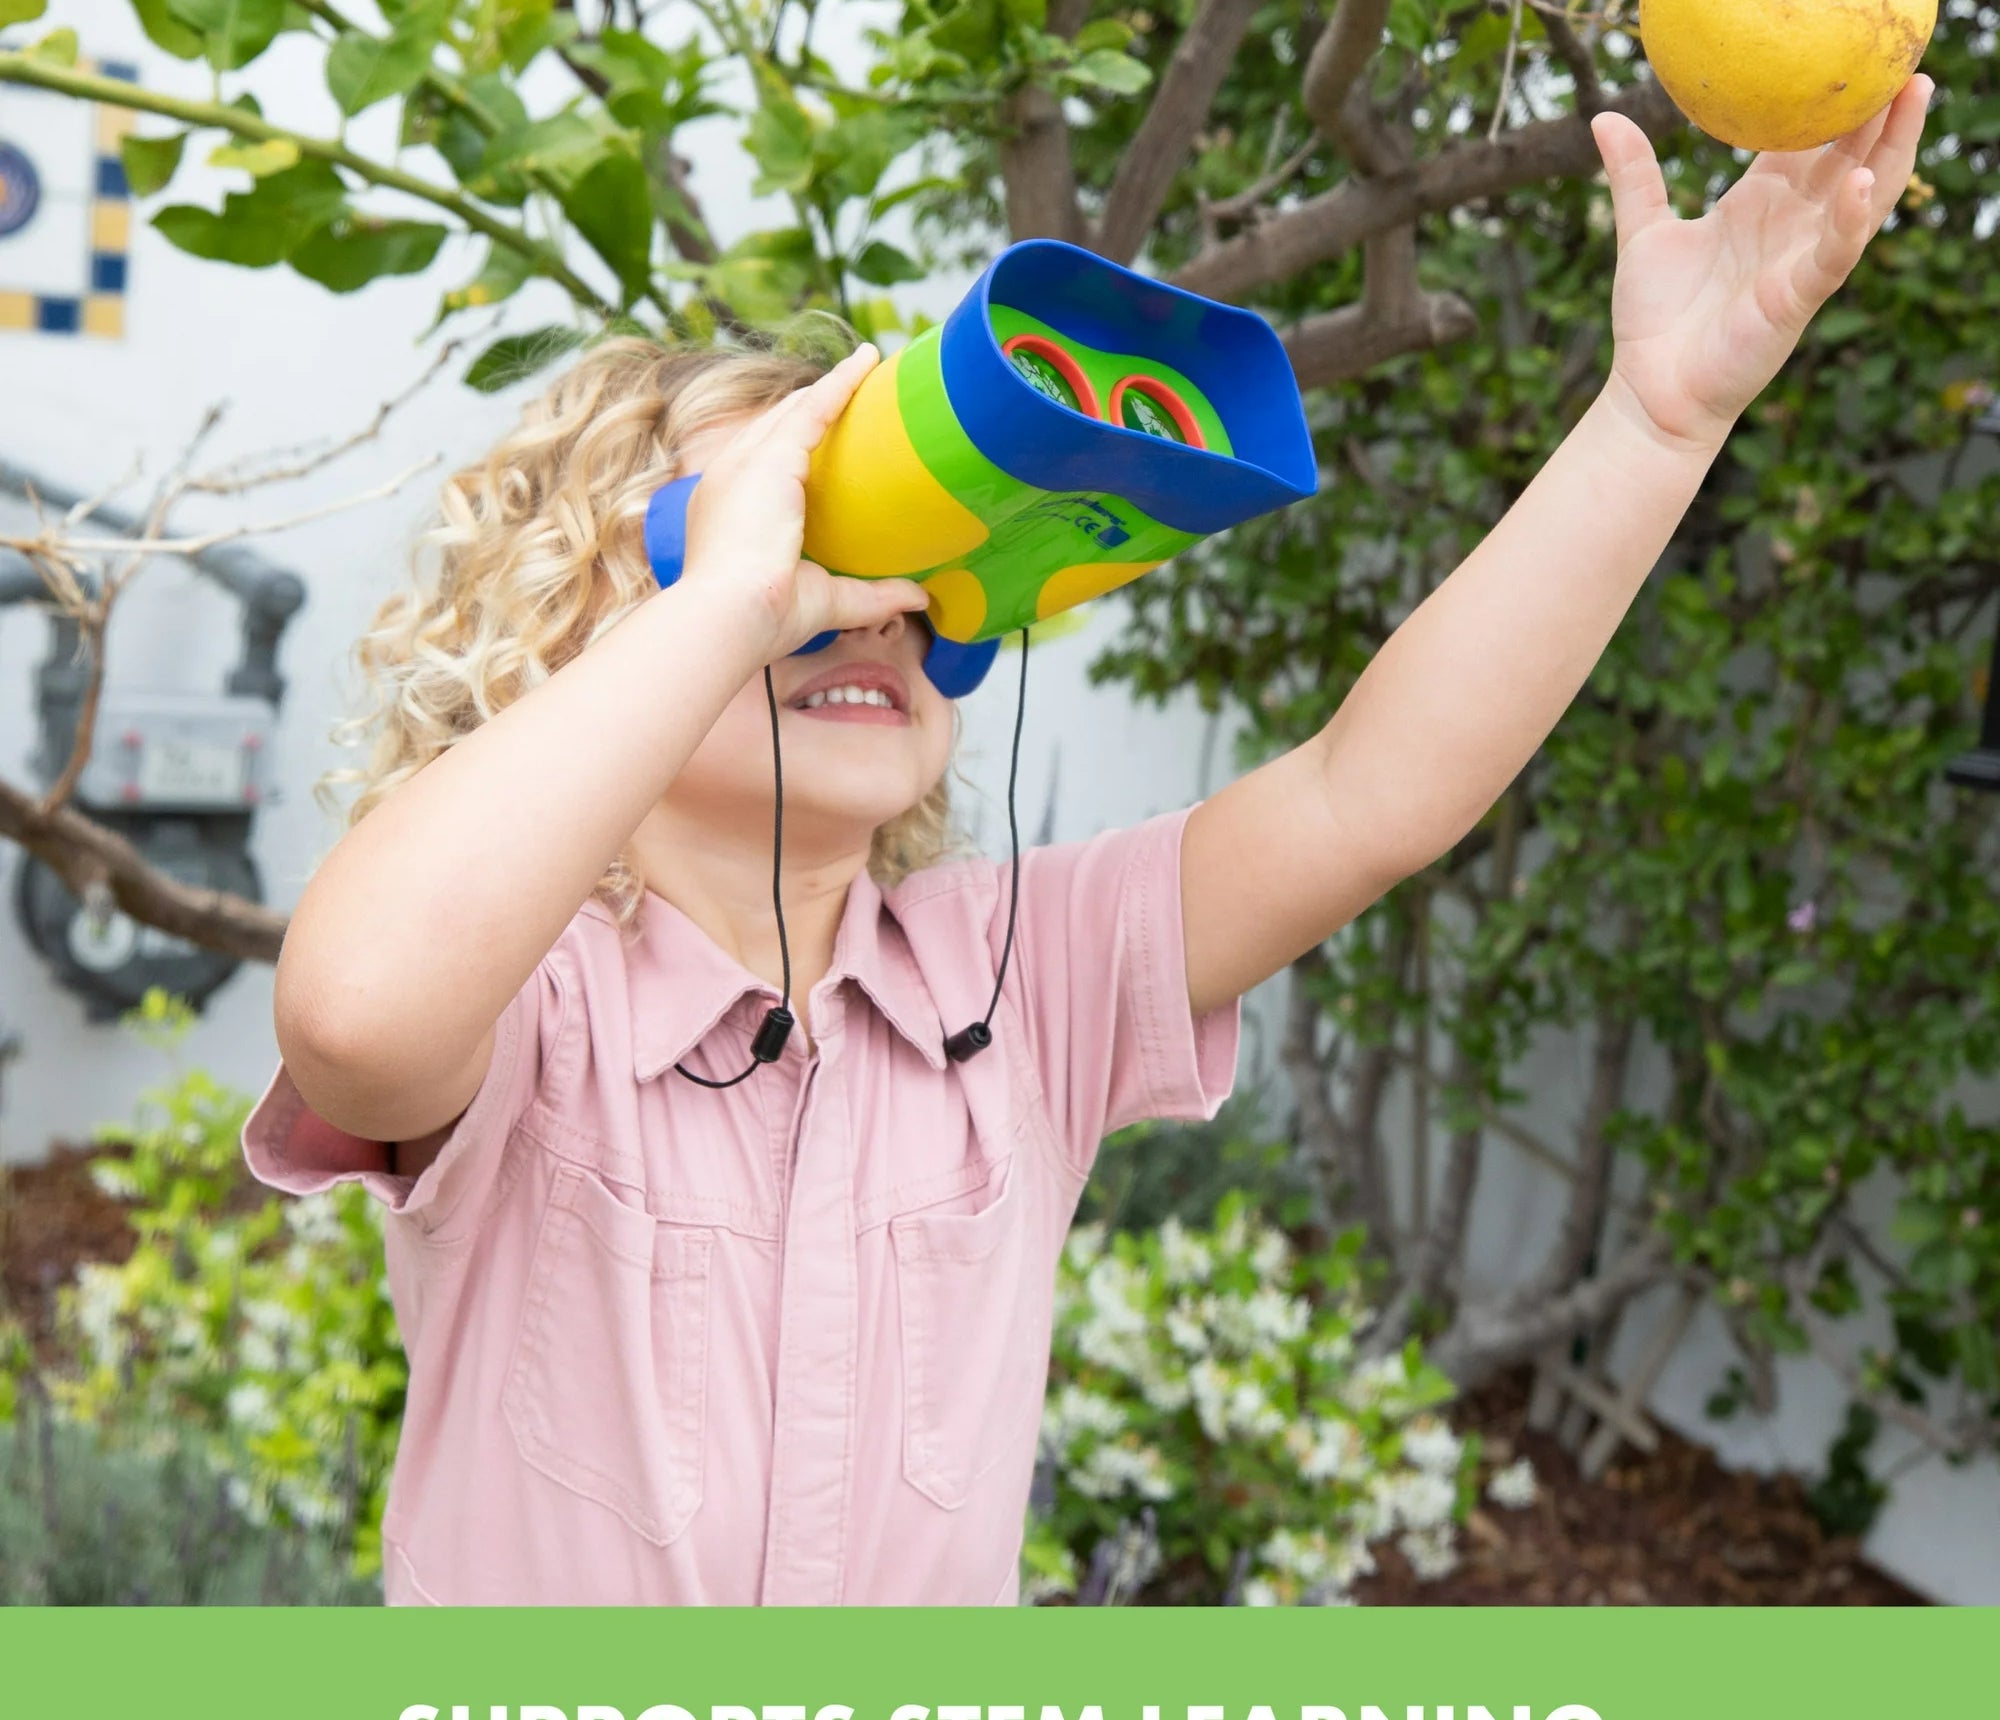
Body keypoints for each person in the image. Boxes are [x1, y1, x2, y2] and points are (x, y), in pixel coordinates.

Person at [242, 84, 1933, 1605]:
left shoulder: (1009, 985)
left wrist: (1657, 418)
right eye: (792, 553)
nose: (864, 607)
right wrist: (725, 604)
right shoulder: (535, 1011)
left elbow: (1370, 794)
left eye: (903, 570)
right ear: (579, 648)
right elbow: (356, 1013)